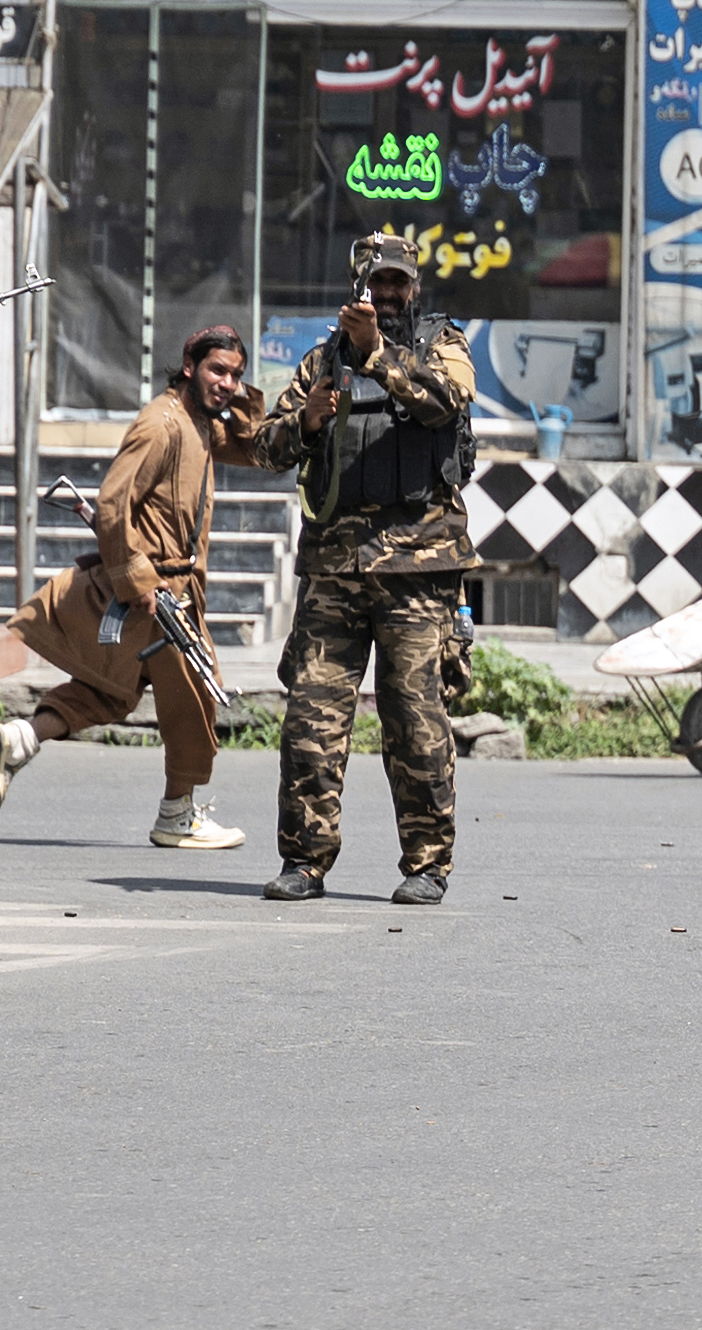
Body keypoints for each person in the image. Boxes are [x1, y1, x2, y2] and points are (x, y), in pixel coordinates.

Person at [0, 326, 273, 847]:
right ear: (189, 364)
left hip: (169, 589)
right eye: (217, 371)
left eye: (235, 375)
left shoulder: (199, 422)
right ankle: (177, 813)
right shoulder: (162, 423)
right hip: (158, 593)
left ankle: (22, 738)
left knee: (110, 691)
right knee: (195, 700)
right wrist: (137, 580)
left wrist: (245, 398)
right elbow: (113, 502)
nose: (226, 383)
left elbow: (255, 448)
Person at [251, 233, 476, 906]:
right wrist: (308, 424)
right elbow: (267, 443)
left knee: (414, 720)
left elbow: (446, 402)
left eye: (397, 284)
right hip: (334, 569)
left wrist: (378, 357)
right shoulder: (322, 360)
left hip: (418, 565)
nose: (386, 295)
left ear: (414, 288)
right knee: (311, 721)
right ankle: (305, 859)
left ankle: (428, 862)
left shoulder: (441, 344)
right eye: (376, 284)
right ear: (356, 289)